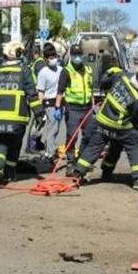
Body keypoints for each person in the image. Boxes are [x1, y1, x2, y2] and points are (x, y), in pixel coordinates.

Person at [72, 67, 138, 191]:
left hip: (102, 121)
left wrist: (110, 72)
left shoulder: (121, 77)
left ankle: (78, 172)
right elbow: (137, 119)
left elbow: (104, 83)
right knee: (135, 146)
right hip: (121, 128)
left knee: (94, 147)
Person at [0, 47, 43, 184]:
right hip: (18, 117)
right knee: (14, 144)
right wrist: (39, 114)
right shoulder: (24, 70)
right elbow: (32, 93)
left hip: (0, 116)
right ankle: (10, 172)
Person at [54, 45, 96, 177]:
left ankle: (82, 161)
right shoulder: (66, 71)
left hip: (88, 108)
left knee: (89, 135)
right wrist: (57, 107)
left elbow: (91, 89)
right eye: (75, 55)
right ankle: (71, 162)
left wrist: (94, 106)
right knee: (72, 136)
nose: (77, 57)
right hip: (73, 108)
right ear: (71, 56)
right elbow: (60, 91)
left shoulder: (88, 70)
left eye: (79, 54)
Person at [34, 49, 62, 160]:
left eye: (55, 57)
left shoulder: (61, 70)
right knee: (53, 128)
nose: (53, 60)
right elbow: (40, 92)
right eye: (51, 58)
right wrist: (39, 109)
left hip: (59, 102)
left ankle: (49, 149)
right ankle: (50, 152)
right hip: (49, 103)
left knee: (55, 128)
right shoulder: (43, 73)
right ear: (46, 59)